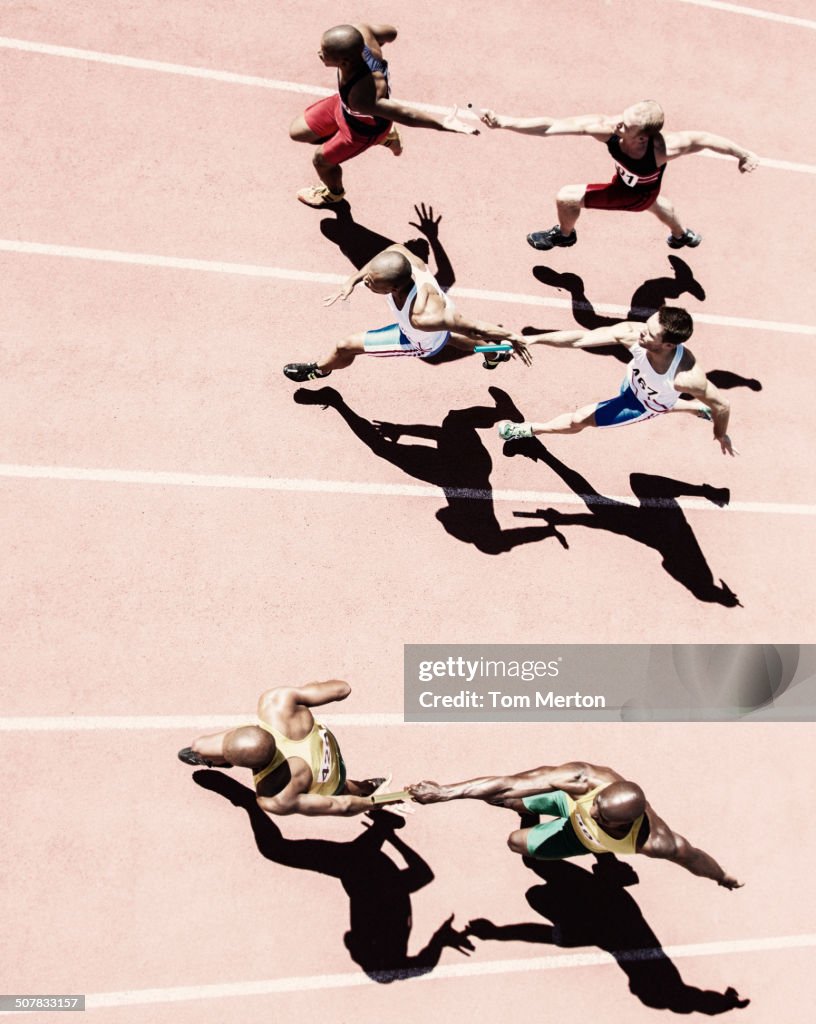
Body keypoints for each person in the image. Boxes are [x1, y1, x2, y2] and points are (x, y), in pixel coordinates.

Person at [408, 761, 743, 889]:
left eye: (599, 813)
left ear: (622, 823)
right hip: (564, 802)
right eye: (596, 801)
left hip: (584, 840)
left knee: (516, 843)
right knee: (503, 797)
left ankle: (605, 862)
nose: (592, 808)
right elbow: (510, 782)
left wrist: (721, 877)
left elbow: (695, 859)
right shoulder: (586, 781)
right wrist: (445, 793)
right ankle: (531, 810)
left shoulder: (656, 843)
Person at [479, 99, 758, 249]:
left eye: (626, 126)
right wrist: (505, 122)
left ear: (643, 137)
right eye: (621, 118)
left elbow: (705, 139)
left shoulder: (663, 148)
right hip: (640, 187)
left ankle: (565, 236)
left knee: (566, 197)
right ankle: (681, 235)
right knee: (658, 205)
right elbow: (551, 126)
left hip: (632, 195)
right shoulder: (608, 128)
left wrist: (742, 154)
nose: (617, 124)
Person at [496, 306, 738, 456]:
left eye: (649, 334)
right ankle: (695, 408)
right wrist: (532, 340)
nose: (641, 332)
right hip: (635, 383)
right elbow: (581, 338)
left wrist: (720, 434)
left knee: (579, 419)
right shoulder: (635, 333)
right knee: (662, 397)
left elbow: (723, 405)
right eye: (647, 325)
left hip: (641, 405)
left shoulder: (686, 377)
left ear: (668, 345)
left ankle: (530, 429)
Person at [283, 242, 531, 382]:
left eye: (371, 283)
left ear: (393, 287)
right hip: (438, 329)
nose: (366, 283)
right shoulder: (409, 264)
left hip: (417, 340)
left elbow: (471, 326)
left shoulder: (423, 316)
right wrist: (354, 279)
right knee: (450, 339)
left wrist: (511, 336)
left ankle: (319, 370)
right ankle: (493, 353)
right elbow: (393, 249)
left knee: (344, 346)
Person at [290, 23, 477, 208]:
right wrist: (380, 38)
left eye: (325, 52)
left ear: (344, 62)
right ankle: (386, 138)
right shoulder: (363, 33)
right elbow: (391, 32)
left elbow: (406, 114)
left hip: (361, 131)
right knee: (298, 132)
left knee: (321, 161)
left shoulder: (362, 97)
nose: (319, 53)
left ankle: (334, 193)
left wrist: (441, 124)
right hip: (343, 107)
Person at [178, 680, 397, 816]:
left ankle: (215, 761)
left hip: (323, 779)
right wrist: (311, 689)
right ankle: (369, 786)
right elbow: (342, 688)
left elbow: (343, 807)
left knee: (199, 746)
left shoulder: (276, 799)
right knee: (347, 788)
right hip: (326, 755)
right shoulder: (277, 700)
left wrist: (378, 804)